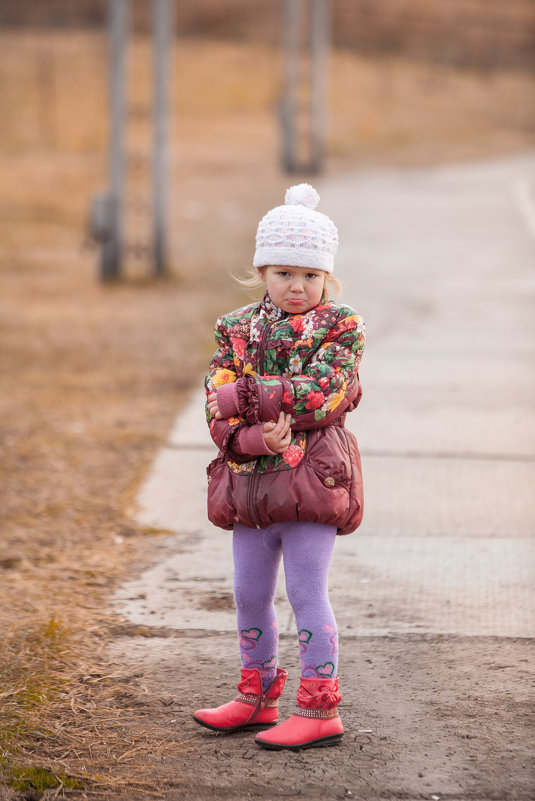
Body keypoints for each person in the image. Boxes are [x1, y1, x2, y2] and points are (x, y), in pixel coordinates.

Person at [192, 183, 365, 751]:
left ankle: (320, 707)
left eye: (311, 276)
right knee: (249, 592)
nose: (298, 287)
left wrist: (249, 398)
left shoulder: (342, 328)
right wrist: (251, 434)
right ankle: (257, 695)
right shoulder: (235, 328)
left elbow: (325, 393)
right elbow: (214, 405)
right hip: (249, 485)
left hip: (314, 481)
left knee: (306, 592)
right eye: (285, 274)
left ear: (327, 279)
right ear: (262, 270)